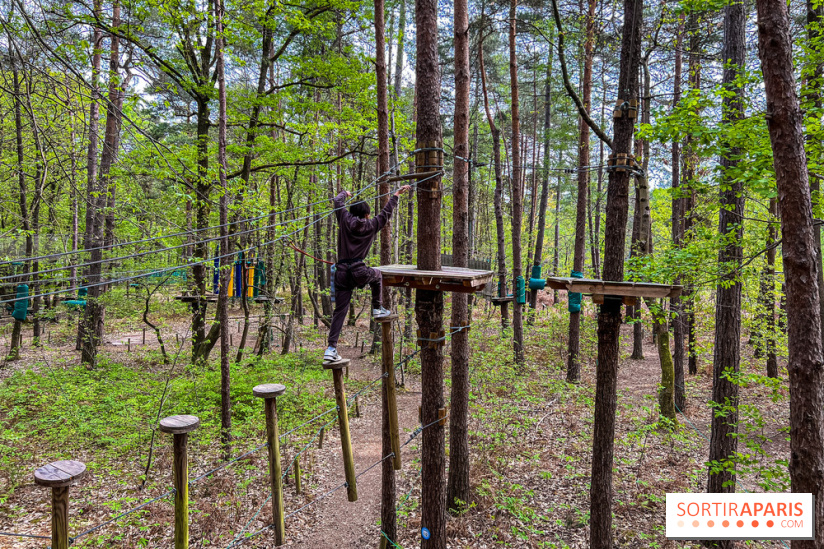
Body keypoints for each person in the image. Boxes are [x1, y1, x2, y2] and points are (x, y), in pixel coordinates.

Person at [324, 185, 412, 363]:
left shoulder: (345, 219)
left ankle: (331, 348)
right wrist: (396, 195)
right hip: (358, 271)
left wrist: (345, 193)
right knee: (377, 274)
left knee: (340, 311)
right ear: (366, 214)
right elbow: (386, 214)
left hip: (341, 272)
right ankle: (377, 308)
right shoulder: (371, 225)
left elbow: (337, 202)